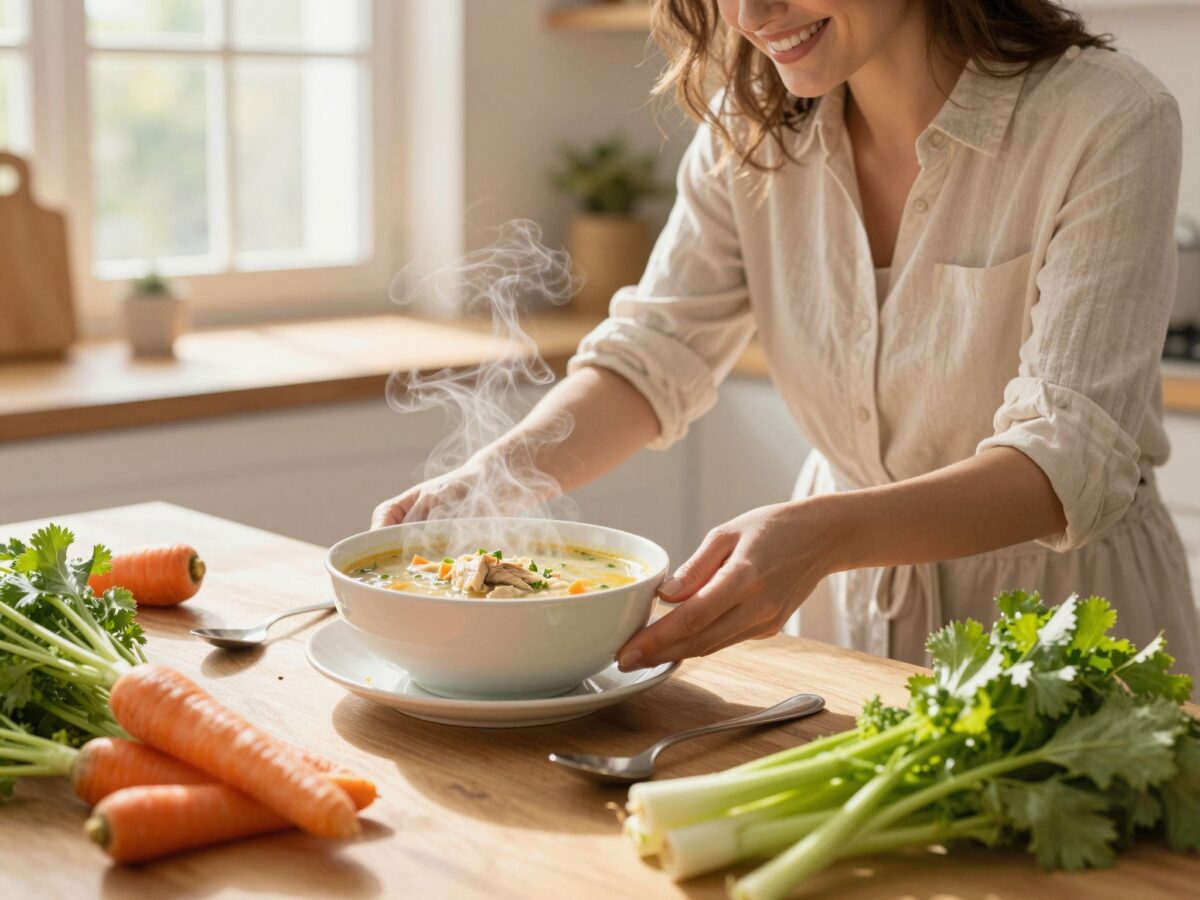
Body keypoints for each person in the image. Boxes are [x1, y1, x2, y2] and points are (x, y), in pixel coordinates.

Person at [374, 0, 1199, 680]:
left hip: (1068, 635)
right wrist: (490, 482)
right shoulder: (750, 129)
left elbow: (1068, 462)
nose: (749, 14)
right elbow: (652, 355)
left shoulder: (1106, 119)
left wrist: (825, 534)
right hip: (842, 631)